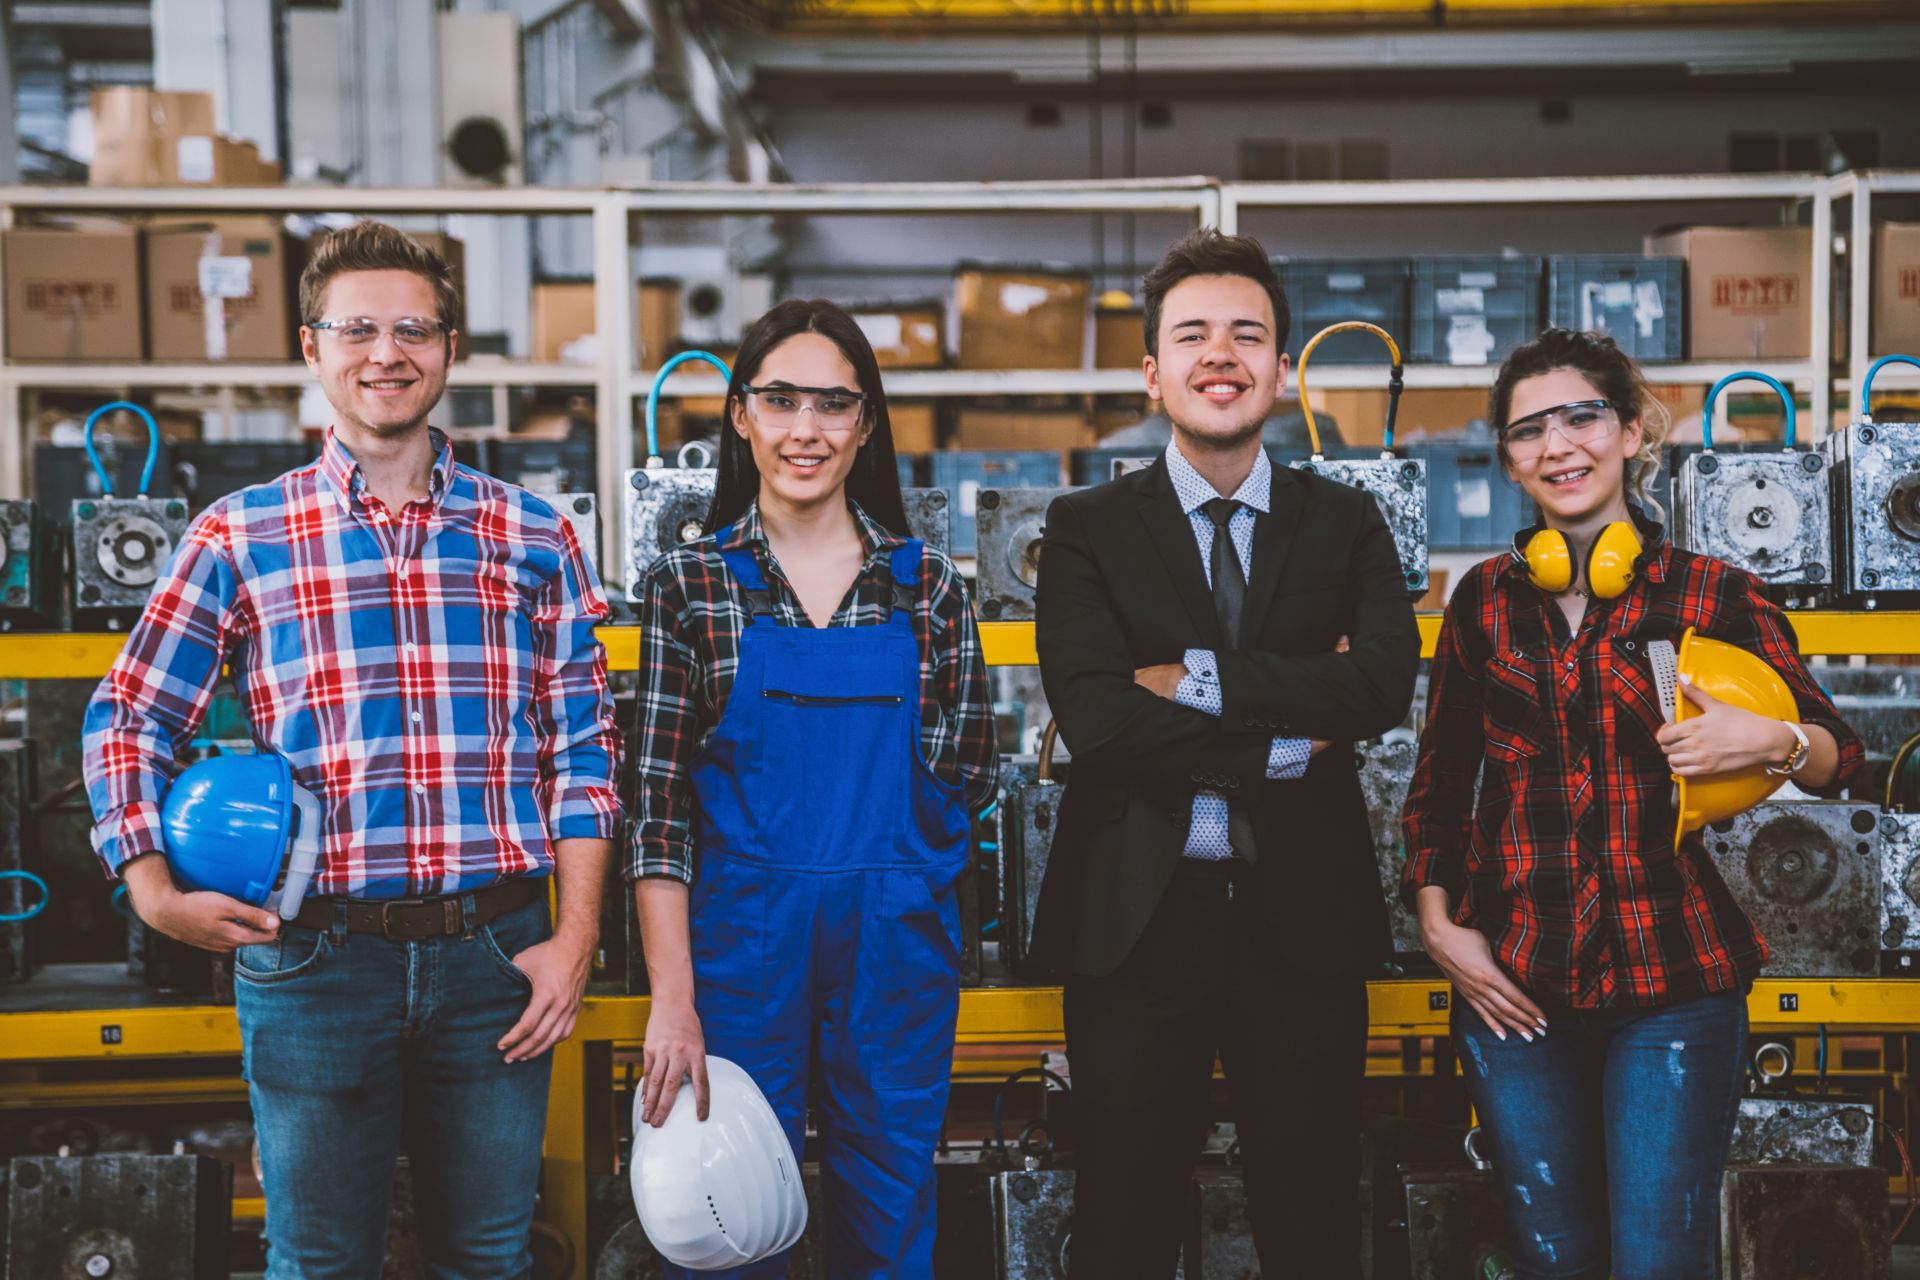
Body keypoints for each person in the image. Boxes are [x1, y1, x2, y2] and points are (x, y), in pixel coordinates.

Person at [82, 221, 621, 1278]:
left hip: (496, 954)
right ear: (311, 345)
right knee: (320, 1259)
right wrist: (148, 888)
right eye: (359, 328)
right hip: (313, 958)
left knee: (490, 1255)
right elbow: (131, 715)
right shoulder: (240, 533)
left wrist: (577, 935)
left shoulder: (534, 535)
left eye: (414, 327)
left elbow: (585, 749)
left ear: (452, 348)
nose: (388, 352)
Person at [1401, 328, 1865, 1280]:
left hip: (1674, 988)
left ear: (1631, 431)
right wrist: (1440, 925)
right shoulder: (1482, 602)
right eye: (1529, 430)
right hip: (1515, 986)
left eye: (1582, 416)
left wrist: (1768, 741)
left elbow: (1837, 758)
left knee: (1658, 1262)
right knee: (1553, 1261)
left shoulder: (1715, 592)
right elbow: (1441, 787)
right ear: (1508, 459)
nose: (1559, 445)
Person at [1031, 228, 1421, 1277]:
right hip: (1135, 925)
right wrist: (1289, 736)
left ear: (1283, 369)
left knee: (1311, 1220)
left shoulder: (1346, 523)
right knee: (1120, 1219)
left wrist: (1193, 678)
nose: (1221, 354)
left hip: (1304, 921)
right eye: (1192, 334)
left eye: (1247, 334)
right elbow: (1098, 716)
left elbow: (1382, 682)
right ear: (1151, 370)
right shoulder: (1083, 526)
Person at [629, 298, 999, 1278]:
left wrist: (902, 896)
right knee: (724, 1226)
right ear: (741, 416)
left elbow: (969, 782)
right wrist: (673, 999)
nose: (806, 428)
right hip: (738, 957)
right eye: (781, 399)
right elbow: (657, 816)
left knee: (890, 1220)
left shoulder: (932, 593)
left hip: (893, 957)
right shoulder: (688, 587)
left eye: (835, 403)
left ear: (867, 422)